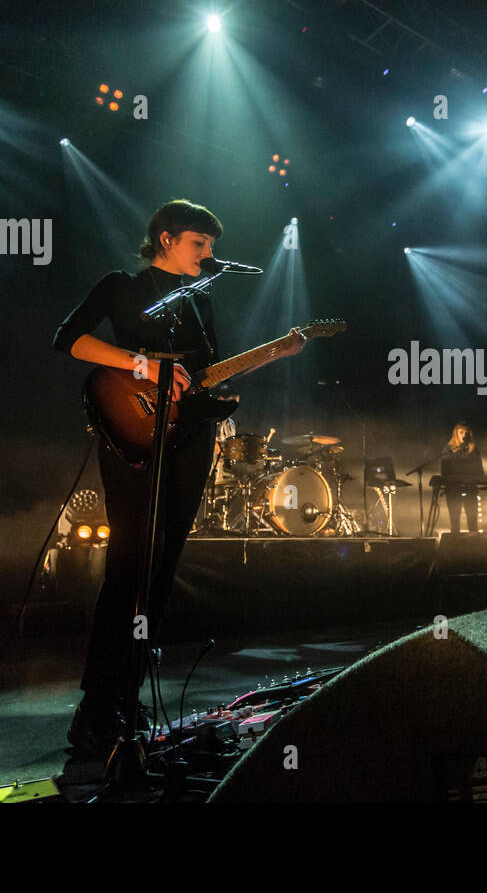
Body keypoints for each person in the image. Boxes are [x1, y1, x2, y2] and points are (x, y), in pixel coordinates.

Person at [53, 199, 305, 756]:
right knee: (130, 562)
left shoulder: (201, 302)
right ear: (166, 239)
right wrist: (141, 365)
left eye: (211, 246)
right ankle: (95, 704)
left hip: (190, 438)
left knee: (163, 566)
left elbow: (205, 376)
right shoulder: (122, 285)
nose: (209, 254)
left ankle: (127, 694)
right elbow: (69, 339)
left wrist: (272, 354)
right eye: (200, 243)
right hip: (132, 434)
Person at [440, 421, 484, 534]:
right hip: (453, 490)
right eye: (461, 432)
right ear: (456, 434)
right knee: (455, 523)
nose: (464, 435)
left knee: (473, 523)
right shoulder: (448, 450)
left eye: (467, 432)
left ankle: (474, 549)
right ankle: (455, 549)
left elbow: (480, 472)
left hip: (470, 489)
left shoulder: (474, 451)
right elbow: (445, 472)